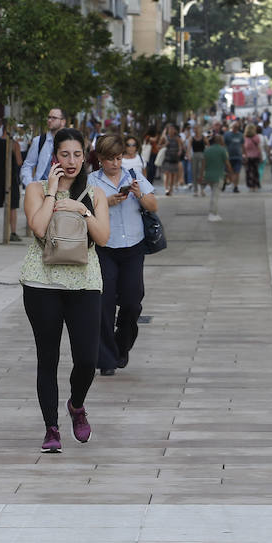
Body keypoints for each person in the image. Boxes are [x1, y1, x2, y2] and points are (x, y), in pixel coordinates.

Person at [21, 129, 112, 453]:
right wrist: (52, 193)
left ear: (84, 156)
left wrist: (81, 209)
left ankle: (76, 405)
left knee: (87, 359)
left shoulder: (95, 192)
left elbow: (102, 237)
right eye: (64, 155)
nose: (71, 161)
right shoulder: (35, 189)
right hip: (42, 282)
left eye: (76, 155)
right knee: (48, 358)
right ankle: (51, 429)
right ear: (54, 157)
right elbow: (39, 228)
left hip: (84, 283)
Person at [88, 134, 158, 376]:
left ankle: (122, 344)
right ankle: (106, 359)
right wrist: (105, 202)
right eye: (110, 159)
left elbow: (153, 206)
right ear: (100, 159)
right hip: (104, 247)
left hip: (133, 247)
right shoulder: (91, 181)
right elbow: (83, 211)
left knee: (132, 301)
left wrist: (139, 194)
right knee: (104, 303)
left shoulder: (134, 177)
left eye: (118, 158)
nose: (115, 164)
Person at [0, 124, 23, 242]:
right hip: (11, 179)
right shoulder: (14, 144)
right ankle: (13, 232)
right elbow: (19, 161)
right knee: (13, 207)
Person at [20, 107, 68, 185]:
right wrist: (30, 185)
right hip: (41, 188)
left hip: (63, 189)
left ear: (63, 121)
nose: (49, 120)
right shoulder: (39, 141)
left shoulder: (70, 141)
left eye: (54, 118)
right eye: (49, 117)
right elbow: (27, 165)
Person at [203, 133, 228, 222]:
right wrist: (231, 173)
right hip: (218, 175)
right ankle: (212, 213)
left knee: (213, 194)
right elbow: (227, 163)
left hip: (209, 175)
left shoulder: (207, 150)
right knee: (215, 195)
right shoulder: (222, 150)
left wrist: (202, 174)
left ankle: (214, 212)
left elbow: (203, 164)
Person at [158, 123, 186, 196]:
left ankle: (171, 188)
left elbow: (181, 146)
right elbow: (159, 146)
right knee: (167, 173)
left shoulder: (177, 138)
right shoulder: (165, 138)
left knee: (173, 174)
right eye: (170, 129)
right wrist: (165, 144)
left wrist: (179, 151)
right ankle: (166, 188)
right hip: (167, 158)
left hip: (174, 158)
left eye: (172, 129)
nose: (171, 131)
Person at [223, 122, 245, 193]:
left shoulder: (240, 135)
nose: (235, 128)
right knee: (228, 172)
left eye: (237, 127)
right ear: (231, 127)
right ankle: (224, 183)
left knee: (237, 172)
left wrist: (244, 154)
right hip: (229, 156)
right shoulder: (227, 135)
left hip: (238, 157)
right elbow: (223, 145)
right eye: (234, 127)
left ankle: (235, 186)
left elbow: (242, 145)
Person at [243, 123, 264, 192]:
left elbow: (244, 148)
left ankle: (250, 186)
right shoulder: (256, 137)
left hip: (248, 157)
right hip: (256, 156)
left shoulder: (245, 138)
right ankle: (255, 185)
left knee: (248, 172)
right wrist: (261, 156)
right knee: (255, 171)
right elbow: (259, 148)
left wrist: (245, 156)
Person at [189, 125, 208, 196]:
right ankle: (195, 190)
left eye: (197, 128)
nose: (196, 130)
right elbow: (189, 147)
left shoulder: (204, 137)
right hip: (194, 156)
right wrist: (188, 155)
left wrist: (207, 155)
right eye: (195, 128)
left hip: (202, 155)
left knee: (202, 173)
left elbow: (208, 146)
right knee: (194, 173)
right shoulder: (192, 138)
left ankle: (202, 189)